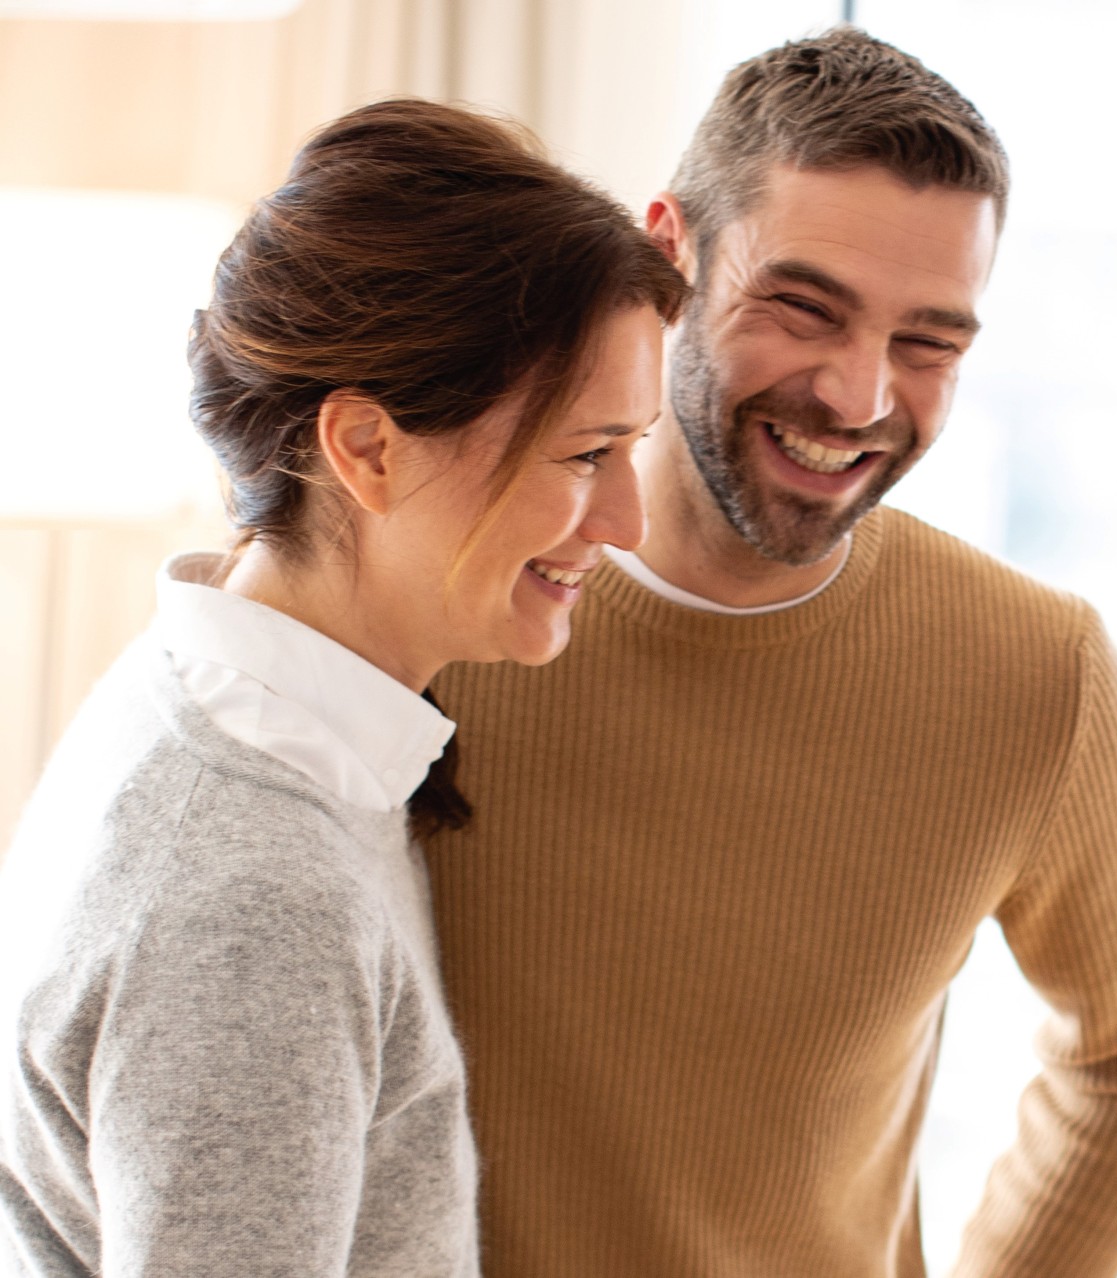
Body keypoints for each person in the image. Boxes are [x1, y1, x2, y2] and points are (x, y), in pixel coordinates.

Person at [422, 27, 1117, 1278]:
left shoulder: (1032, 672)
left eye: (927, 344)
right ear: (670, 253)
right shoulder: (444, 605)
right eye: (803, 309)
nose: (857, 397)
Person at [0, 99, 685, 1275]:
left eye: (632, 449)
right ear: (368, 449)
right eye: (584, 455)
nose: (625, 523)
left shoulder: (212, 699)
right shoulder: (253, 895)